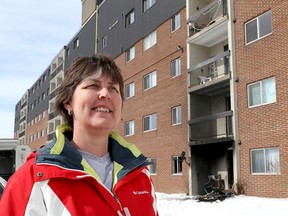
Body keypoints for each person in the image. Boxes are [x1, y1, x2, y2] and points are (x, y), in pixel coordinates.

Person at [0, 54, 158, 216]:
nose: (106, 94)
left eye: (113, 88)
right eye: (93, 85)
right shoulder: (35, 178)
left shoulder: (140, 175)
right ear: (68, 102)